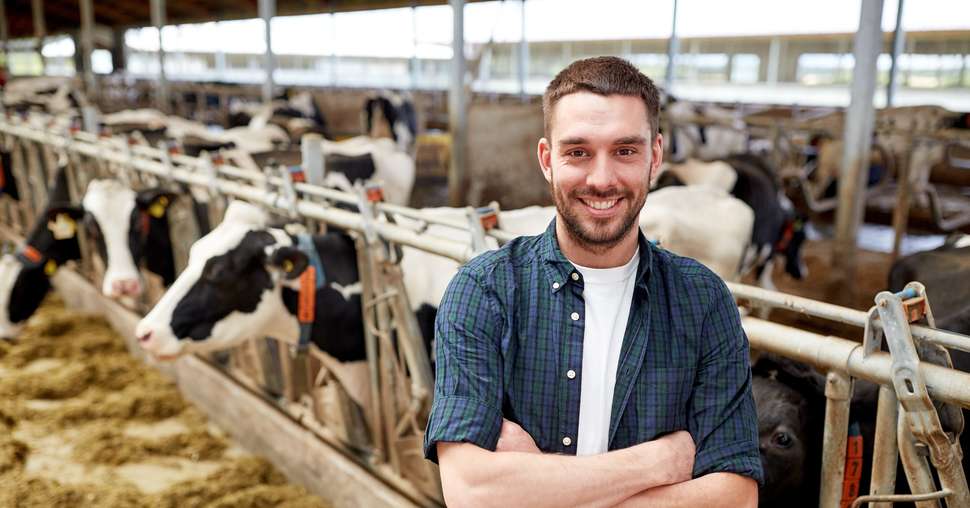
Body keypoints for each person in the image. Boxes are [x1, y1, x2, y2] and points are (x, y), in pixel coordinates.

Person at [423, 56, 761, 507]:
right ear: (547, 159)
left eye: (625, 151)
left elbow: (735, 498)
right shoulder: (484, 291)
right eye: (578, 152)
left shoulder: (702, 300)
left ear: (654, 156)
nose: (602, 179)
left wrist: (535, 488)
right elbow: (472, 493)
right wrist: (659, 462)